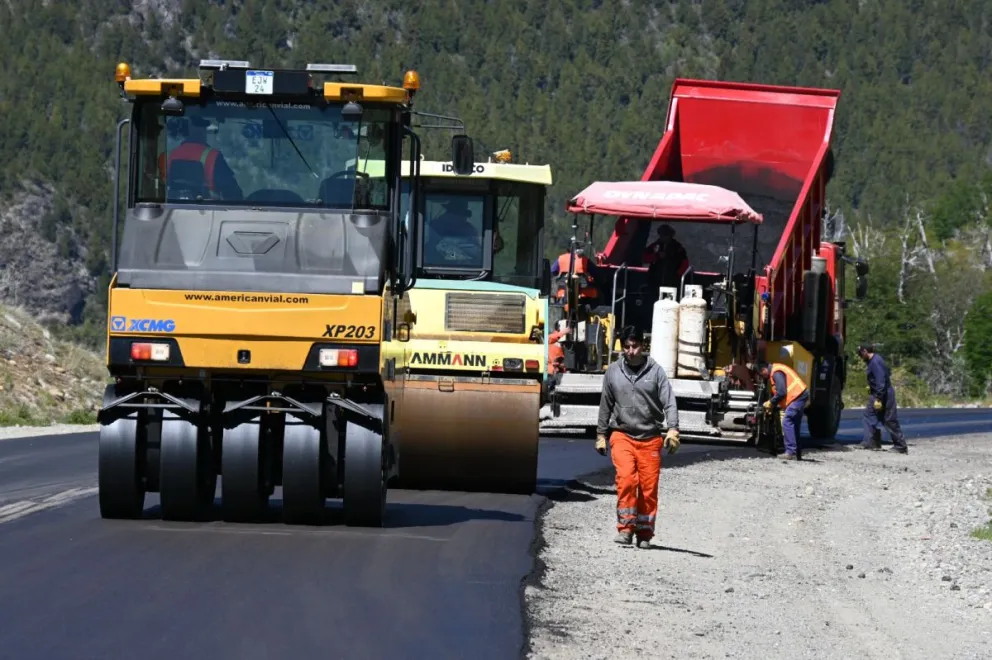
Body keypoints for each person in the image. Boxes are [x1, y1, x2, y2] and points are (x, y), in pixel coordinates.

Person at [595, 325, 681, 548]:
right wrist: (601, 434)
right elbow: (606, 404)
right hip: (622, 434)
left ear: (643, 346)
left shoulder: (656, 372)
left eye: (635, 346)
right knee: (626, 480)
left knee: (648, 488)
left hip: (650, 437)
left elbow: (669, 401)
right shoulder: (613, 371)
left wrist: (673, 428)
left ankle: (644, 532)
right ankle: (625, 528)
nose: (631, 351)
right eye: (626, 347)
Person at [159, 116, 242, 200]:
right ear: (204, 131)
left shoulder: (168, 156)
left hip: (171, 209)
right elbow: (233, 193)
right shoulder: (214, 156)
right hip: (207, 210)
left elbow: (158, 188)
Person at [857, 343, 908, 453]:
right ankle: (871, 442)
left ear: (865, 351)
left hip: (884, 394)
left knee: (889, 420)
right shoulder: (874, 361)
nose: (860, 356)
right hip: (877, 393)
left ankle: (900, 446)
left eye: (860, 353)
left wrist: (878, 398)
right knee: (869, 415)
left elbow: (881, 381)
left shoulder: (875, 362)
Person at [758, 361, 808, 461]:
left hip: (797, 396)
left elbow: (781, 392)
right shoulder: (777, 370)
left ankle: (790, 452)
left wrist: (771, 402)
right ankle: (797, 452)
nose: (763, 378)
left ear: (764, 370)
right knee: (794, 423)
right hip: (800, 394)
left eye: (761, 375)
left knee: (787, 421)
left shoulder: (776, 372)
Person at [643, 223, 689, 290]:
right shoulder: (654, 246)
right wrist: (657, 256)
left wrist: (677, 275)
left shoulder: (677, 248)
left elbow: (685, 263)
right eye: (662, 234)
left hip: (672, 281)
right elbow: (645, 258)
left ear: (671, 235)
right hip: (654, 280)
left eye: (666, 235)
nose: (664, 237)